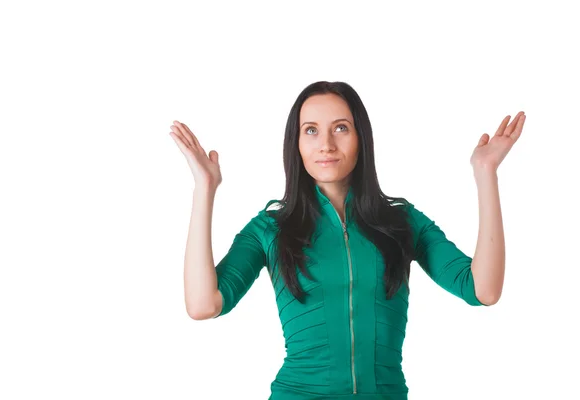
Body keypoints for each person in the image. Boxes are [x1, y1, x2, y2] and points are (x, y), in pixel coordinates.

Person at [169, 81, 526, 399]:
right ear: (295, 144)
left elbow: (482, 290)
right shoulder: (270, 228)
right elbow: (204, 305)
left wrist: (486, 173)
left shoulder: (402, 221)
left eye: (340, 128)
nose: (326, 144)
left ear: (361, 139)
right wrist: (205, 188)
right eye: (310, 130)